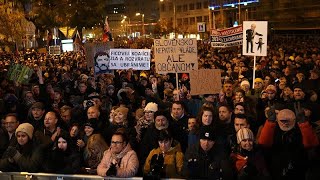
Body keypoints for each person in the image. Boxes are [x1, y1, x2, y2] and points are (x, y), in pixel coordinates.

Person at [258, 104, 319, 180]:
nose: (283, 118)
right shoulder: (272, 127)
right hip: (276, 170)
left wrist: (303, 123)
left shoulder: (300, 127)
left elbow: (311, 144)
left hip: (298, 170)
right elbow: (264, 143)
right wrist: (270, 122)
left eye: (286, 116)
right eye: (278, 114)